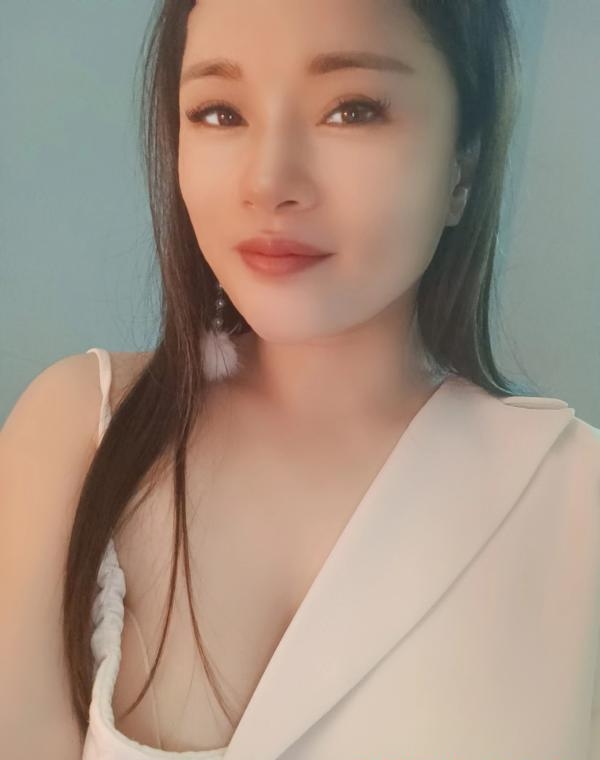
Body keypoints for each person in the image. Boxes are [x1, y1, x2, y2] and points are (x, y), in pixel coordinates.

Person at [2, 1, 599, 758]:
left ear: (464, 166)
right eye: (219, 112)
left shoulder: (575, 500)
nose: (267, 181)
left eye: (353, 109)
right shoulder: (78, 430)